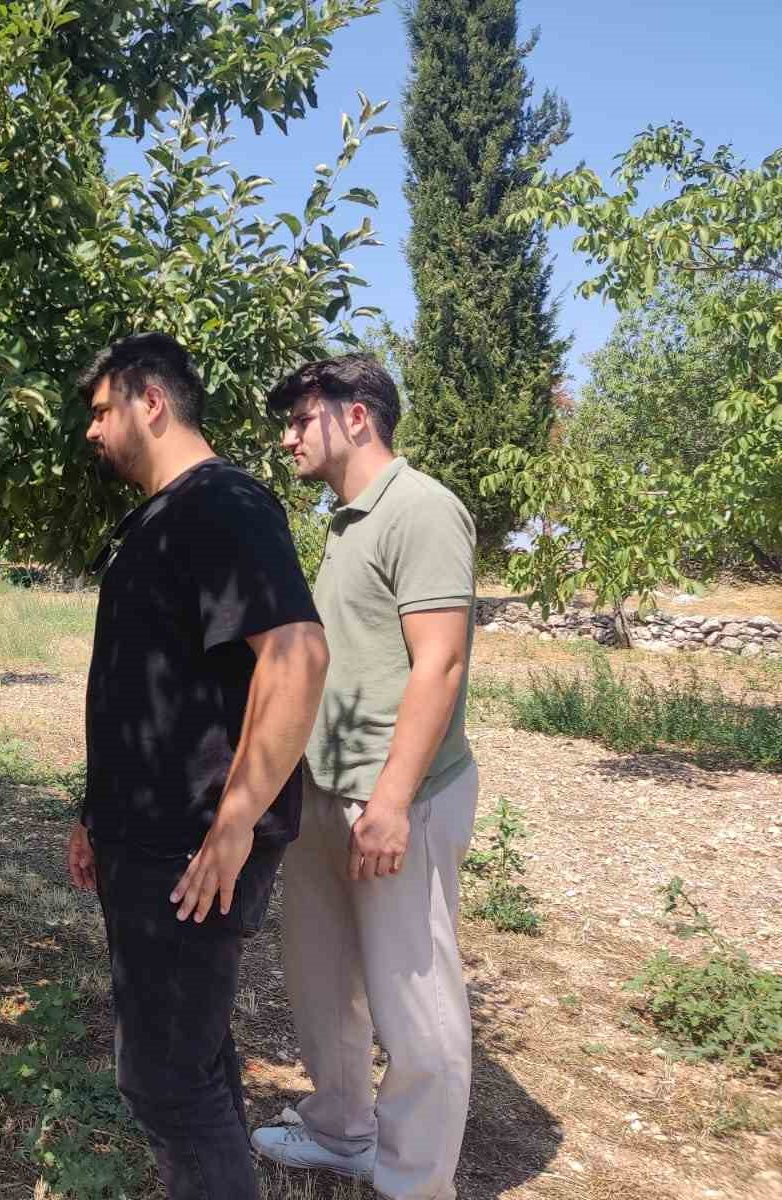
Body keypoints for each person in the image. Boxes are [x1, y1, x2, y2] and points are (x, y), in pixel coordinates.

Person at [67, 332, 330, 1200]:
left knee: (166, 1084)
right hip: (143, 838)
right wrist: (92, 812)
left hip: (189, 850)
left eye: (103, 410)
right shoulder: (164, 515)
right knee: (194, 1060)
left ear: (152, 402)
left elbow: (297, 656)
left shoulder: (223, 505)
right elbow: (151, 689)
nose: (93, 431)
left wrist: (234, 822)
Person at [251, 356, 478, 1200]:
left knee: (414, 1005)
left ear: (356, 418)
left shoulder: (421, 508)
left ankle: (415, 1182)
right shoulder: (346, 521)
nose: (286, 436)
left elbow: (440, 665)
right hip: (326, 787)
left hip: (397, 796)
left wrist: (388, 803)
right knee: (320, 977)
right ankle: (343, 1131)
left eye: (299, 418)